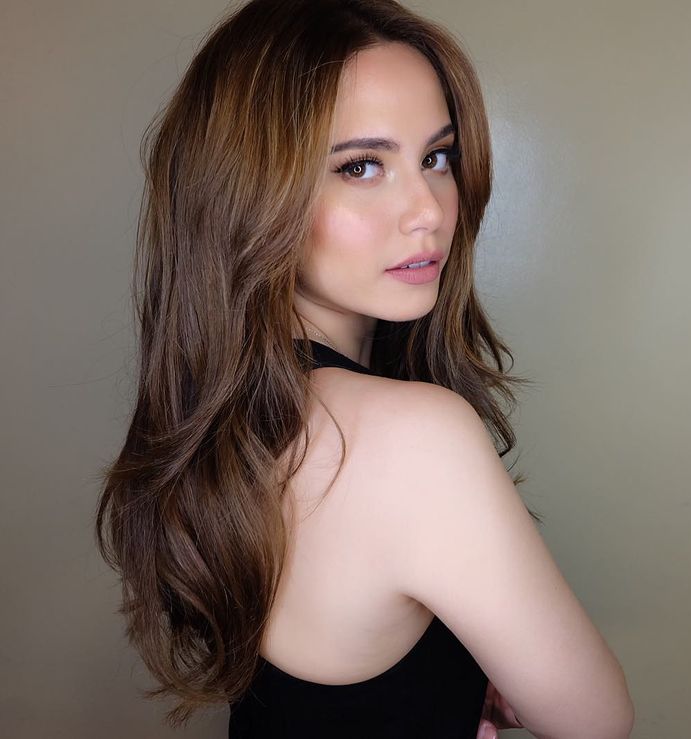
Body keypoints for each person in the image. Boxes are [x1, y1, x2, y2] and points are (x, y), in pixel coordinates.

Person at [95, 0, 635, 737]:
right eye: (360, 165)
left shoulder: (228, 417)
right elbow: (596, 720)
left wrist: (450, 682)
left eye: (436, 157)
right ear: (251, 194)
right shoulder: (411, 437)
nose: (429, 210)